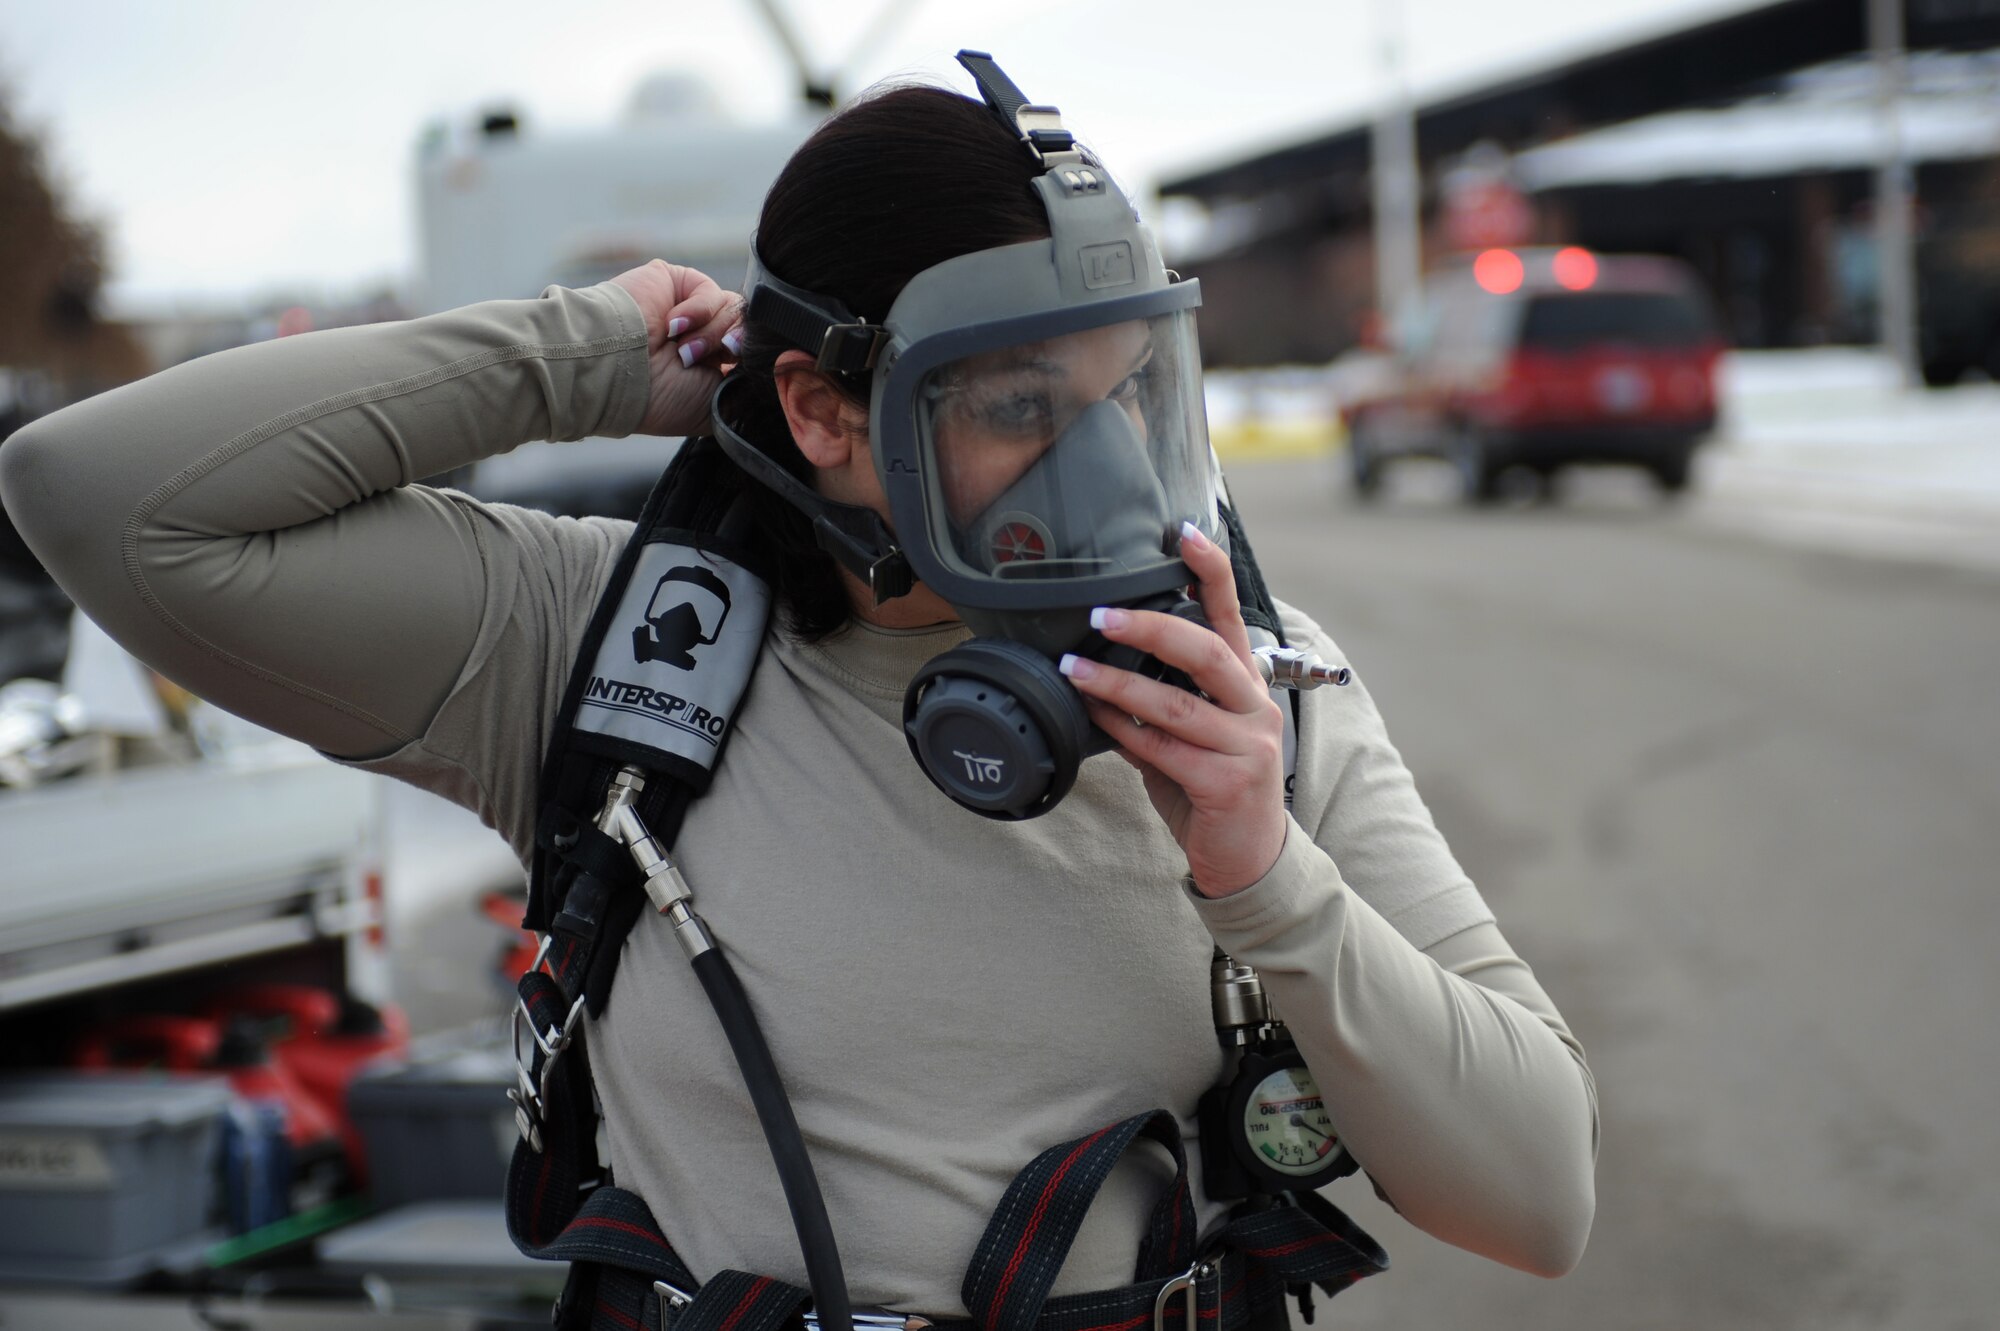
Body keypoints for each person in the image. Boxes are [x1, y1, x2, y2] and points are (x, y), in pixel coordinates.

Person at [0, 73, 1596, 1324]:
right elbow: (100, 494)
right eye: (1023, 406)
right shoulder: (607, 652)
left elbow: (1539, 1198)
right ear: (829, 410)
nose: (1101, 468)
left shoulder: (1258, 702)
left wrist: (1267, 878)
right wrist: (590, 351)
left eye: (1128, 396)